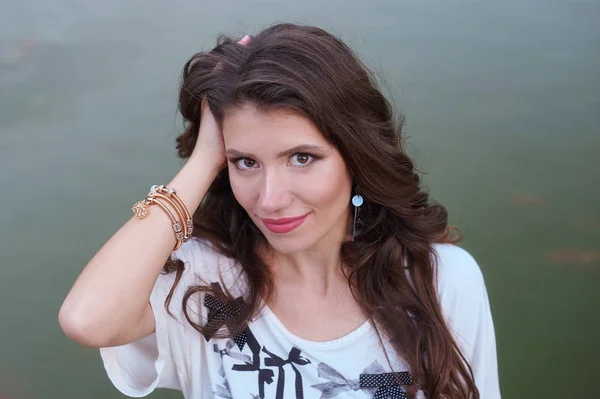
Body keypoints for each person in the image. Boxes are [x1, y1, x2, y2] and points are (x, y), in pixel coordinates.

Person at [59, 23, 500, 399]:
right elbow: (88, 320)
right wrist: (205, 156)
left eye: (302, 158)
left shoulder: (438, 281)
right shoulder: (205, 285)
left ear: (356, 156)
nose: (270, 199)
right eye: (245, 162)